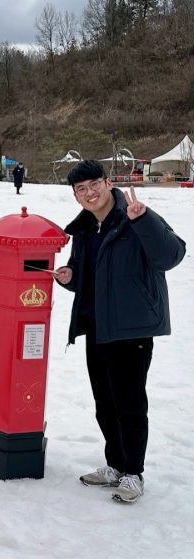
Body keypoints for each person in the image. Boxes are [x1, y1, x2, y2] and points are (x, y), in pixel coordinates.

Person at [54, 160, 185, 503]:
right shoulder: (85, 229)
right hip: (97, 325)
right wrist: (70, 276)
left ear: (108, 182)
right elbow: (86, 274)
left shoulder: (136, 215)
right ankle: (114, 464)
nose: (89, 193)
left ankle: (133, 472)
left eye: (94, 184)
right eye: (80, 189)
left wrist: (144, 220)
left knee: (129, 403)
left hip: (131, 328)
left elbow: (172, 254)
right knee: (104, 403)